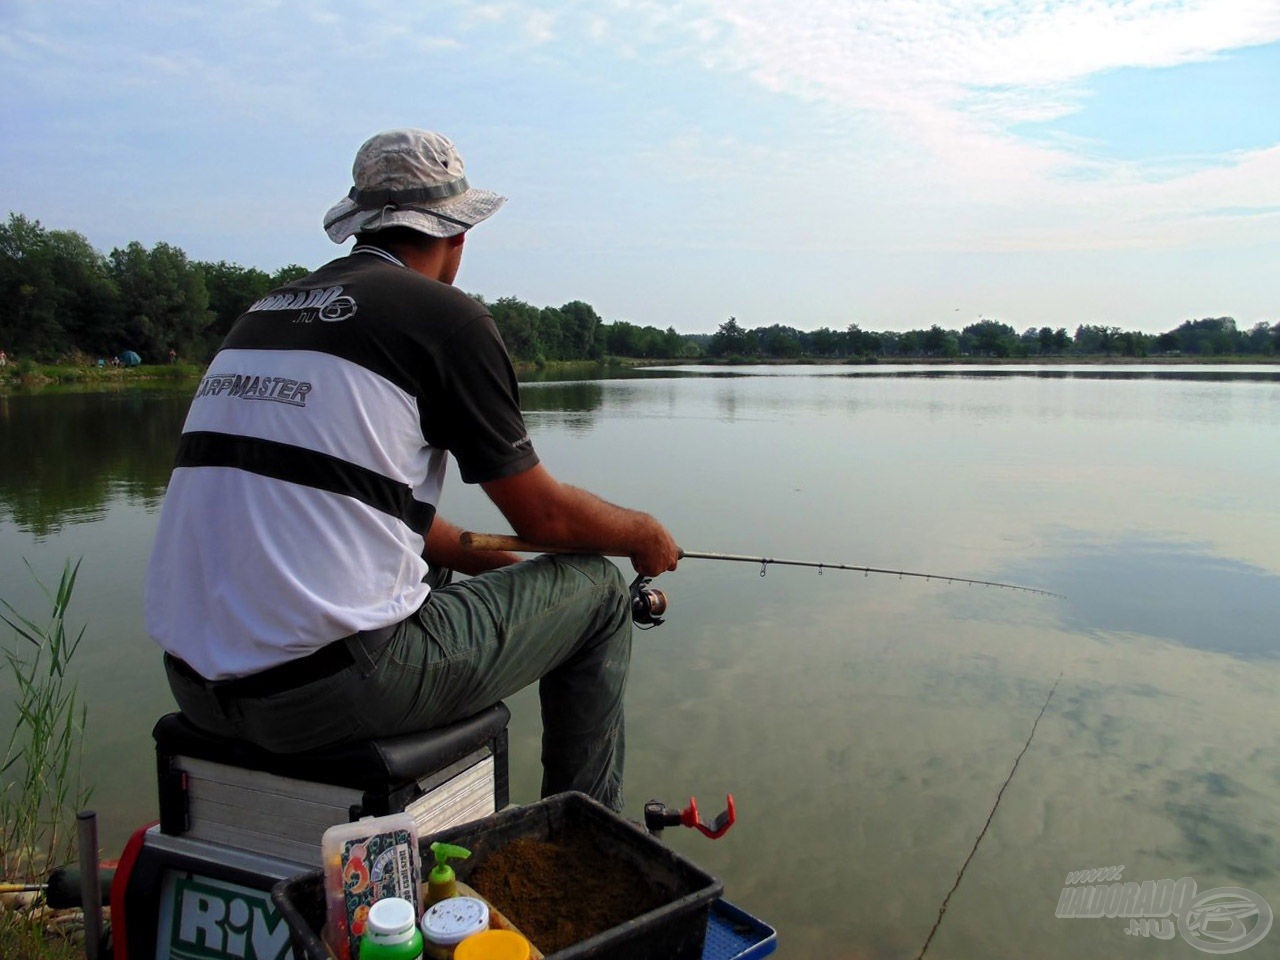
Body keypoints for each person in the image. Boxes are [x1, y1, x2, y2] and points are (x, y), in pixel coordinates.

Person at [145, 129, 679, 812]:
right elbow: (542, 517)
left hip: (195, 687)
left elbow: (365, 505)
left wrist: (504, 573)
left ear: (359, 223)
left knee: (447, 573)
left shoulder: (263, 314)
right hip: (331, 694)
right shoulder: (446, 321)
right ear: (456, 233)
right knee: (598, 589)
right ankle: (583, 841)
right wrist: (641, 534)